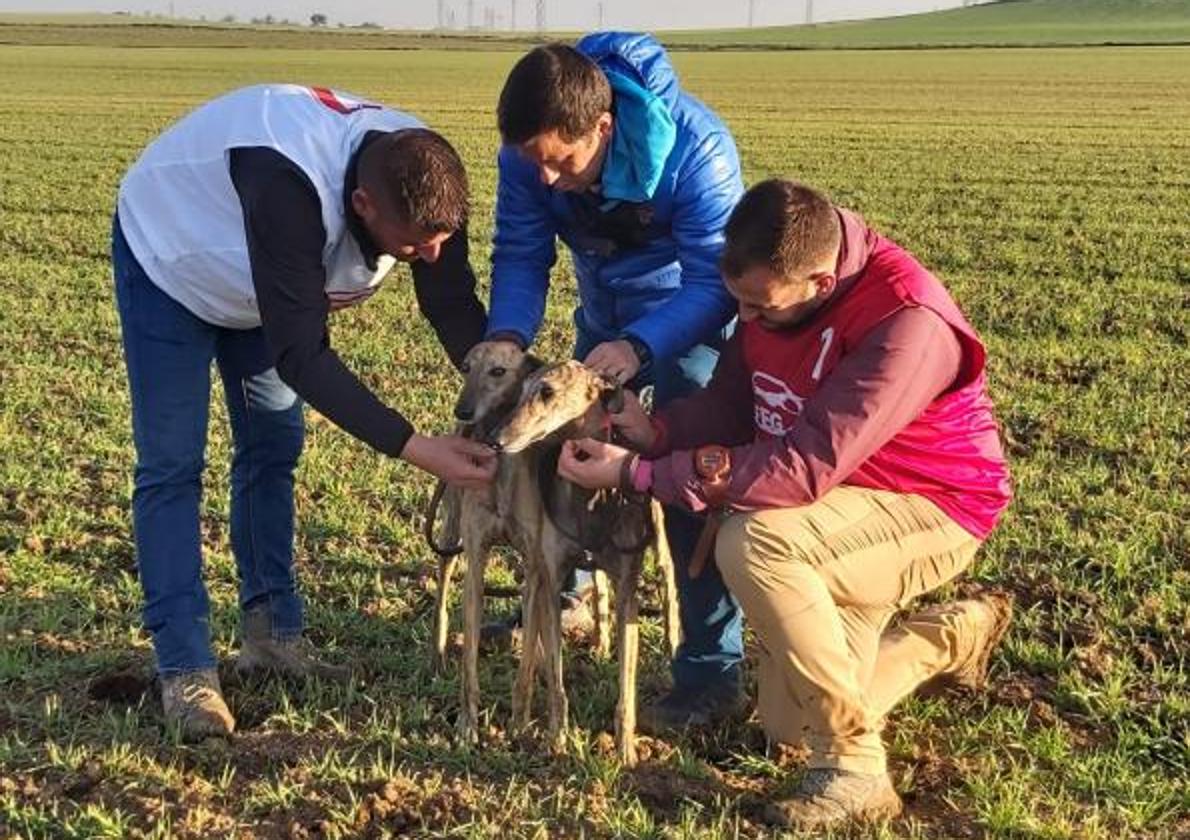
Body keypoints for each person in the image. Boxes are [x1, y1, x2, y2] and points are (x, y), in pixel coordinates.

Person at [558, 180, 1014, 830]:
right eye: (738, 301)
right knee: (790, 728)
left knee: (757, 539)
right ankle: (947, 637)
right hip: (838, 510)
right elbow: (732, 404)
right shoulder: (774, 294)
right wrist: (654, 432)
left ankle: (854, 769)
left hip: (929, 508)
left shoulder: (907, 324)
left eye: (759, 307)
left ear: (821, 285)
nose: (744, 320)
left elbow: (799, 470)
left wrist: (639, 473)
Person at [113, 83, 496, 740]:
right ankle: (185, 669)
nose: (430, 258)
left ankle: (272, 638)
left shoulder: (423, 177)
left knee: (273, 447)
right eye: (412, 247)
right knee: (172, 464)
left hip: (265, 280)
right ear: (361, 204)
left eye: (441, 241)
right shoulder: (287, 186)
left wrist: (513, 396)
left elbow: (451, 304)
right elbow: (302, 356)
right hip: (173, 263)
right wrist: (413, 445)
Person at [477, 33, 747, 728]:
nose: (544, 178)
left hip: (686, 323)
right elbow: (521, 247)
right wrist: (509, 333)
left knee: (685, 481)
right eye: (531, 161)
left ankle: (709, 673)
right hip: (603, 314)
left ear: (602, 127)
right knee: (568, 455)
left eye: (559, 163)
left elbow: (716, 281)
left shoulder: (698, 150)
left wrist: (644, 345)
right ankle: (569, 599)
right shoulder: (529, 156)